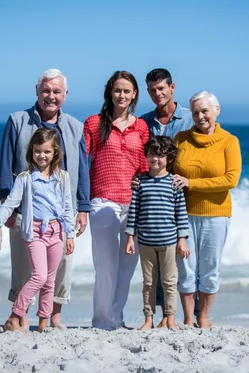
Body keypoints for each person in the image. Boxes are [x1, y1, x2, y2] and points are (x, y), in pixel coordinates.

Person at [0, 68, 90, 330]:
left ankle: (53, 318)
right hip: (26, 213)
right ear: (37, 91)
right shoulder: (18, 120)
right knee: (25, 265)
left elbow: (82, 170)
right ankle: (21, 316)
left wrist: (83, 207)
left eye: (56, 91)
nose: (51, 96)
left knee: (59, 269)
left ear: (65, 94)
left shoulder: (75, 126)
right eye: (46, 90)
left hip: (61, 216)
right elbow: (6, 163)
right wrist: (6, 202)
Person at [84, 70, 150, 330]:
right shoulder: (93, 123)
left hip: (134, 202)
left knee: (127, 266)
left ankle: (116, 319)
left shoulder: (141, 127)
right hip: (102, 201)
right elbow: (81, 162)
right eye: (117, 90)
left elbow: (146, 164)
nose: (122, 95)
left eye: (127, 90)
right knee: (106, 264)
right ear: (109, 93)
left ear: (134, 94)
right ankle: (101, 321)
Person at [171, 91, 242, 328]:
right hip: (183, 214)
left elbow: (231, 180)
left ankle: (204, 318)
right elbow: (166, 170)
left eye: (204, 111)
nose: (200, 116)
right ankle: (189, 318)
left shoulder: (229, 141)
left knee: (210, 268)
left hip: (217, 214)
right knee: (186, 268)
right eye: (195, 112)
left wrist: (192, 183)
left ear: (216, 111)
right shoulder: (180, 139)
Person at [0, 128, 75, 332]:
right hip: (36, 232)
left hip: (57, 233)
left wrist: (70, 234)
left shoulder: (63, 177)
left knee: (50, 280)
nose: (42, 155)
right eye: (37, 151)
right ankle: (14, 316)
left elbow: (67, 208)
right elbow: (10, 203)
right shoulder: (25, 178)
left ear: (55, 152)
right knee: (38, 276)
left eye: (46, 152)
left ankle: (42, 324)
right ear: (31, 151)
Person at [140, 68, 194, 328]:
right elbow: (140, 157)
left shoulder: (189, 119)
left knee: (180, 265)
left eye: (161, 88)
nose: (157, 94)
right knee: (156, 268)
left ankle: (186, 316)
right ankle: (163, 316)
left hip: (181, 195)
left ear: (172, 88)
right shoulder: (144, 122)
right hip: (153, 195)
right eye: (152, 90)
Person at [125, 136, 190, 330]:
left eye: (160, 155)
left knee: (169, 281)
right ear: (146, 156)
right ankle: (148, 319)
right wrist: (130, 237)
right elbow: (133, 211)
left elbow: (181, 213)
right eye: (152, 154)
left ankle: (170, 318)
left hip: (169, 242)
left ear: (169, 159)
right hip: (145, 242)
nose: (155, 159)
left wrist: (182, 240)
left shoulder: (174, 183)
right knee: (148, 282)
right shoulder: (141, 182)